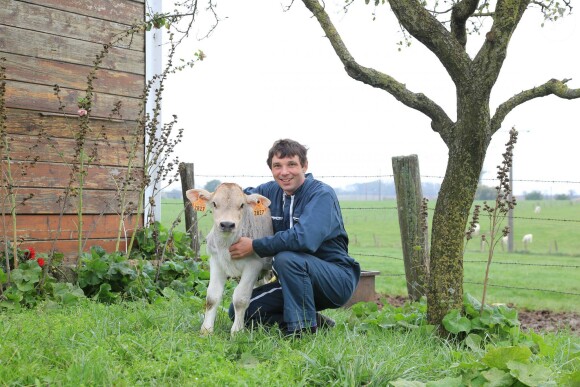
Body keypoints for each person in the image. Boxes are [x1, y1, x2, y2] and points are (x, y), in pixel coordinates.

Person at [228, 139, 361, 336]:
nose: (284, 172)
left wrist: (255, 246)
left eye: (291, 164)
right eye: (277, 166)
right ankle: (318, 323)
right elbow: (241, 195)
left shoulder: (321, 194)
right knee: (240, 310)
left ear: (304, 166)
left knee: (287, 258)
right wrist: (223, 196)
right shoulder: (269, 192)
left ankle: (303, 332)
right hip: (292, 281)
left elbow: (304, 239)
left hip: (335, 279)